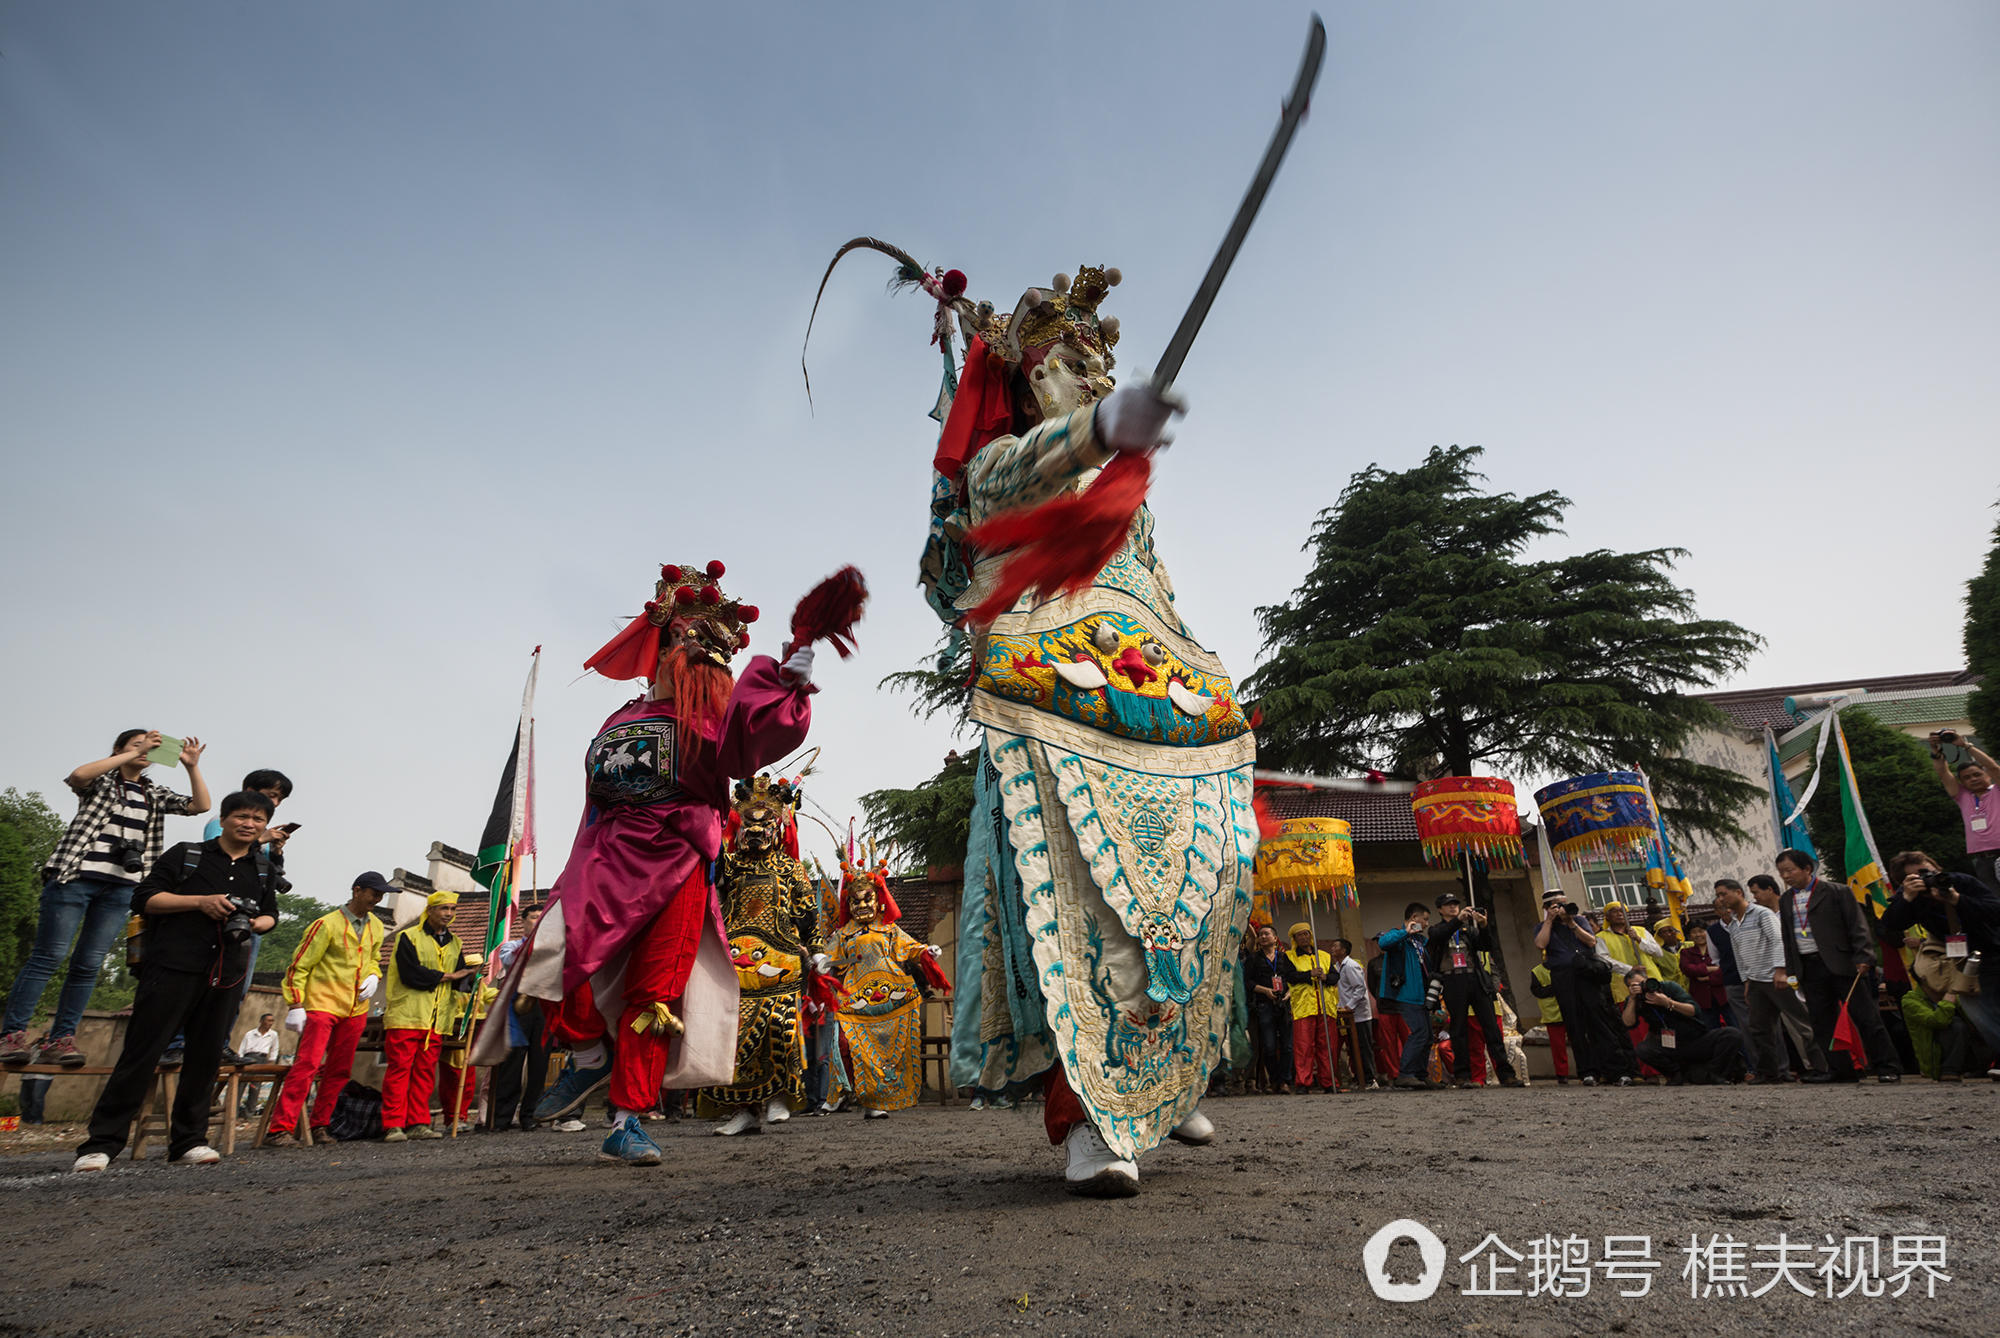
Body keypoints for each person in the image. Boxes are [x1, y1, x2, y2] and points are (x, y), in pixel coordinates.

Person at [833, 252, 1250, 1197]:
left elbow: (1156, 586)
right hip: (1051, 694)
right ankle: (1093, 1120)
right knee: (1082, 909)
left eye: (1100, 367)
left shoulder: (1125, 499)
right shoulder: (1009, 468)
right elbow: (1002, 481)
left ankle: (1164, 1079)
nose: (1093, 375)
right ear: (1026, 383)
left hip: (1161, 692)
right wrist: (1097, 431)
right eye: (1070, 365)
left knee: (1203, 877)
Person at [473, 559, 818, 1169]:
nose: (684, 657)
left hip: (678, 863)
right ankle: (587, 1058)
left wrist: (787, 687)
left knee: (654, 993)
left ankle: (627, 1119)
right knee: (548, 958)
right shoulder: (621, 717)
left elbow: (753, 738)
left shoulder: (713, 717)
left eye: (701, 650)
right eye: (678, 642)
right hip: (605, 859)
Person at [70, 791, 276, 1171]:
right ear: (226, 818)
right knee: (141, 1053)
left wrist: (253, 921)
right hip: (172, 967)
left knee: (205, 1058)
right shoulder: (187, 854)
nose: (250, 824)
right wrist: (199, 902)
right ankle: (101, 1144)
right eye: (243, 816)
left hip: (226, 973)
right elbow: (144, 898)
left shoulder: (261, 869)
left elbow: (270, 916)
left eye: (259, 819)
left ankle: (188, 1141)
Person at [1, 730, 210, 1069]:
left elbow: (199, 805)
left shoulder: (153, 792)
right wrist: (132, 753)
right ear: (119, 750)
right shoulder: (102, 782)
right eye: (137, 745)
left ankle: (61, 1039)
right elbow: (78, 776)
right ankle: (11, 1036)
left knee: (88, 965)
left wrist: (191, 767)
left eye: (151, 748)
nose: (146, 751)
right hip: (74, 877)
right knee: (49, 957)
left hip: (121, 886)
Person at [699, 776, 822, 1136]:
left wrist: (815, 950)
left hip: (781, 960)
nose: (755, 832)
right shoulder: (732, 866)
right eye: (748, 825)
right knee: (734, 1036)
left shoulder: (790, 868)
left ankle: (781, 1095)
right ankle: (743, 1109)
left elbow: (806, 912)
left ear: (777, 827)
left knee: (780, 1030)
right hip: (737, 961)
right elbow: (712, 888)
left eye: (763, 825)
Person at [263, 871, 389, 1148]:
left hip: (355, 1007)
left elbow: (374, 958)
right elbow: (300, 966)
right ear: (357, 890)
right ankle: (279, 1128)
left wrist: (373, 975)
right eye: (373, 893)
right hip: (322, 1003)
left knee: (339, 1070)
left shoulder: (377, 926)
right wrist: (296, 1003)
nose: (377, 898)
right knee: (307, 1065)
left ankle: (321, 1124)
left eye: (381, 894)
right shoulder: (325, 924)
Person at [828, 857, 949, 1122]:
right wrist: (820, 963)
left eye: (867, 899)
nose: (862, 905)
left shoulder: (889, 929)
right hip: (856, 998)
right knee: (851, 1045)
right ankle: (862, 1097)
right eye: (856, 901)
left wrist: (926, 951)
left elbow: (909, 948)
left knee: (884, 1052)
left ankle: (877, 1101)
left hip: (890, 996)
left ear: (878, 899)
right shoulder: (843, 935)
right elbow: (827, 960)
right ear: (848, 904)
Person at [1773, 849, 1902, 1083]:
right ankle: (1840, 1070)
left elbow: (1857, 926)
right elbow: (1787, 937)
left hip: (1843, 964)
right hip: (1808, 965)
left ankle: (1887, 1066)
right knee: (1822, 1021)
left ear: (1807, 869)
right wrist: (1792, 970)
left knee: (1865, 1017)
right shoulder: (1785, 900)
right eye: (1782, 872)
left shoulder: (1836, 891)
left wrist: (1864, 956)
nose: (1786, 876)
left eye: (1790, 870)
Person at [1877, 849, 2000, 1055]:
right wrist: (1907, 897)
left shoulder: (1961, 882)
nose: (1929, 878)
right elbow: (1892, 924)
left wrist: (1957, 900)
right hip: (1966, 961)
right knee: (1981, 1013)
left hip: (1993, 948)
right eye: (1919, 875)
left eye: (1930, 872)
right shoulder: (1912, 897)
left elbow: (1996, 911)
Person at [380, 891, 474, 1142]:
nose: (449, 914)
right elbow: (412, 974)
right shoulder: (407, 937)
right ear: (430, 910)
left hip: (436, 1020)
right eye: (444, 908)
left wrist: (473, 976)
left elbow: (459, 980)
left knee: (425, 1072)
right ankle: (393, 1124)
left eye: (453, 909)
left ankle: (418, 1122)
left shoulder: (456, 943)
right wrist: (449, 976)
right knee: (399, 1071)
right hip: (407, 1015)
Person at [1717, 878, 1829, 1084]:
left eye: (1723, 894)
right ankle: (1770, 1072)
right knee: (1759, 1028)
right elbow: (1739, 955)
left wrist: (1780, 970)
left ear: (1739, 893)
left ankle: (1823, 1067)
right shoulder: (1733, 923)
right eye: (1718, 895)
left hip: (1775, 977)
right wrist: (1747, 981)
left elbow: (1778, 940)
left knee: (1801, 1023)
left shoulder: (1762, 914)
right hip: (1755, 981)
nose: (1720, 899)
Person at [1532, 892, 1632, 1086]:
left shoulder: (1578, 920)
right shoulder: (1542, 926)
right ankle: (1587, 1072)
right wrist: (1550, 921)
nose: (1562, 908)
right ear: (1547, 908)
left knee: (1600, 1022)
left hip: (1587, 974)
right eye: (1556, 905)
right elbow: (1540, 944)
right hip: (1563, 977)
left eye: (1564, 903)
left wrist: (1571, 923)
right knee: (1575, 1025)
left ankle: (1617, 1070)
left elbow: (1591, 941)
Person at [1424, 893, 1521, 1088]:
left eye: (1455, 904)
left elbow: (1486, 946)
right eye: (1448, 905)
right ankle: (1463, 1075)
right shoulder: (1437, 929)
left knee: (1491, 1028)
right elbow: (1438, 936)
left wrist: (1483, 925)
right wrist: (1457, 921)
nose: (1453, 908)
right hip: (1452, 980)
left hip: (1475, 978)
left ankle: (1506, 1074)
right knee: (1459, 1030)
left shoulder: (1468, 929)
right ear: (1440, 910)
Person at [1619, 968, 1744, 1084]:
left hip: (1696, 1038)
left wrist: (1668, 1003)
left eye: (1642, 983)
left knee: (1732, 1034)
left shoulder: (1668, 987)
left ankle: (1713, 1074)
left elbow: (1693, 1010)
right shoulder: (1634, 1000)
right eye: (1635, 986)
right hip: (1671, 1045)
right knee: (1643, 1049)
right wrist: (1633, 999)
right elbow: (1628, 1023)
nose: (1641, 988)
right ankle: (1676, 1075)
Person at [487, 914, 550, 1131]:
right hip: (518, 1007)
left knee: (539, 1064)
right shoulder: (510, 946)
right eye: (533, 917)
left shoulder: (553, 946)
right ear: (523, 920)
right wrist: (534, 943)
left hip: (543, 1005)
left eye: (542, 918)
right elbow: (512, 960)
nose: (537, 921)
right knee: (512, 1064)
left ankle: (530, 1115)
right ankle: (502, 1117)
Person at [1929, 731, 2000, 891]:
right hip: (1982, 859)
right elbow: (1943, 773)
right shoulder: (1962, 796)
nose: (1973, 779)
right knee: (1994, 902)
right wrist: (1935, 749)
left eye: (1977, 774)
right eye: (1967, 778)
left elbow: (1993, 766)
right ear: (1962, 782)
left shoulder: (1997, 790)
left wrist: (1965, 746)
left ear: (1987, 775)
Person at [1377, 904, 1436, 1089]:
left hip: (1422, 995)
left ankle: (1420, 1074)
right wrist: (1405, 932)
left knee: (1427, 1036)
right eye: (1424, 919)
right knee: (1418, 1033)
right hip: (1406, 994)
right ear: (1414, 917)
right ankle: (1405, 1074)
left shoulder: (1420, 941)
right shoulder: (1399, 936)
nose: (1427, 924)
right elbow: (1383, 943)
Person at [1277, 922, 1337, 1093]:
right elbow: (1290, 976)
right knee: (1304, 1047)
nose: (1304, 938)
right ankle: (1304, 1082)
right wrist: (1309, 974)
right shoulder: (1289, 956)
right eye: (1300, 935)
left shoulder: (1324, 956)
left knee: (1327, 1046)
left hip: (1325, 1006)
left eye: (1306, 934)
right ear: (1294, 939)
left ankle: (1329, 1081)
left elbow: (1335, 976)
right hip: (1304, 1007)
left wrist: (1324, 976)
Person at [1242, 923, 1293, 1094]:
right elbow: (1248, 983)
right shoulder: (1254, 959)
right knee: (1269, 1046)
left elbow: (1293, 978)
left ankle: (1285, 1081)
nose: (1263, 937)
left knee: (1287, 1046)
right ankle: (1274, 1080)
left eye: (1267, 934)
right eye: (1261, 934)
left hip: (1283, 1005)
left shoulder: (1284, 958)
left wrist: (1290, 993)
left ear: (1275, 938)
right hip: (1264, 1005)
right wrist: (1265, 991)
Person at [1328, 938, 1377, 1089]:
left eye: (1336, 946)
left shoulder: (1351, 965)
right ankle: (1358, 1077)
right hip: (1347, 1014)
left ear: (1344, 950)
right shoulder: (1337, 966)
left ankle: (1370, 1079)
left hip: (1359, 1014)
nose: (1332, 948)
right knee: (1353, 1048)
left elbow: (1360, 988)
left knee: (1364, 1047)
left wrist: (1350, 1005)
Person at [1527, 963, 1571, 1084]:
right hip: (1552, 1014)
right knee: (1558, 1047)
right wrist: (1557, 987)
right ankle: (1562, 1074)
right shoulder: (1537, 971)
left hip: (1570, 1009)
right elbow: (1537, 991)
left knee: (1579, 1044)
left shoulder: (1567, 966)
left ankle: (1587, 1071)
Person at [1681, 922, 1726, 1029]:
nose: (1698, 935)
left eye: (1701, 931)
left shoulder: (1718, 949)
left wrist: (1708, 978)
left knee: (1735, 1025)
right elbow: (1687, 969)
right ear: (1689, 936)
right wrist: (1710, 968)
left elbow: (1725, 969)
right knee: (1711, 1030)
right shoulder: (1686, 952)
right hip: (1702, 999)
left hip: (1723, 995)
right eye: (1694, 932)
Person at [235, 1013, 281, 1117]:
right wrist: (240, 1060)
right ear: (261, 1021)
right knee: (241, 1085)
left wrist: (272, 1060)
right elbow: (242, 1048)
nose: (270, 1023)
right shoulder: (250, 1034)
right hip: (248, 1058)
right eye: (268, 1020)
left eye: (272, 1021)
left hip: (262, 1059)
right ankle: (234, 1111)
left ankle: (249, 1113)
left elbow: (275, 1048)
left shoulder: (273, 1034)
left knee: (255, 1086)